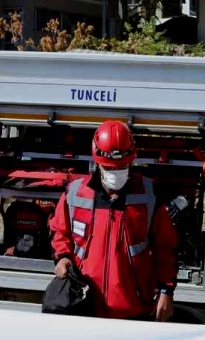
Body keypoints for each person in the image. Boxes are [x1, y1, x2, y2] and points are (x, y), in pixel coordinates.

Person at [49, 121, 178, 321]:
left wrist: (166, 291)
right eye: (109, 168)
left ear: (132, 160)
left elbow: (166, 247)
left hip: (134, 310)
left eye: (122, 167)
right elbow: (61, 231)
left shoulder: (149, 195)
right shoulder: (75, 193)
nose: (115, 173)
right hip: (84, 306)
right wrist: (63, 257)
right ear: (97, 161)